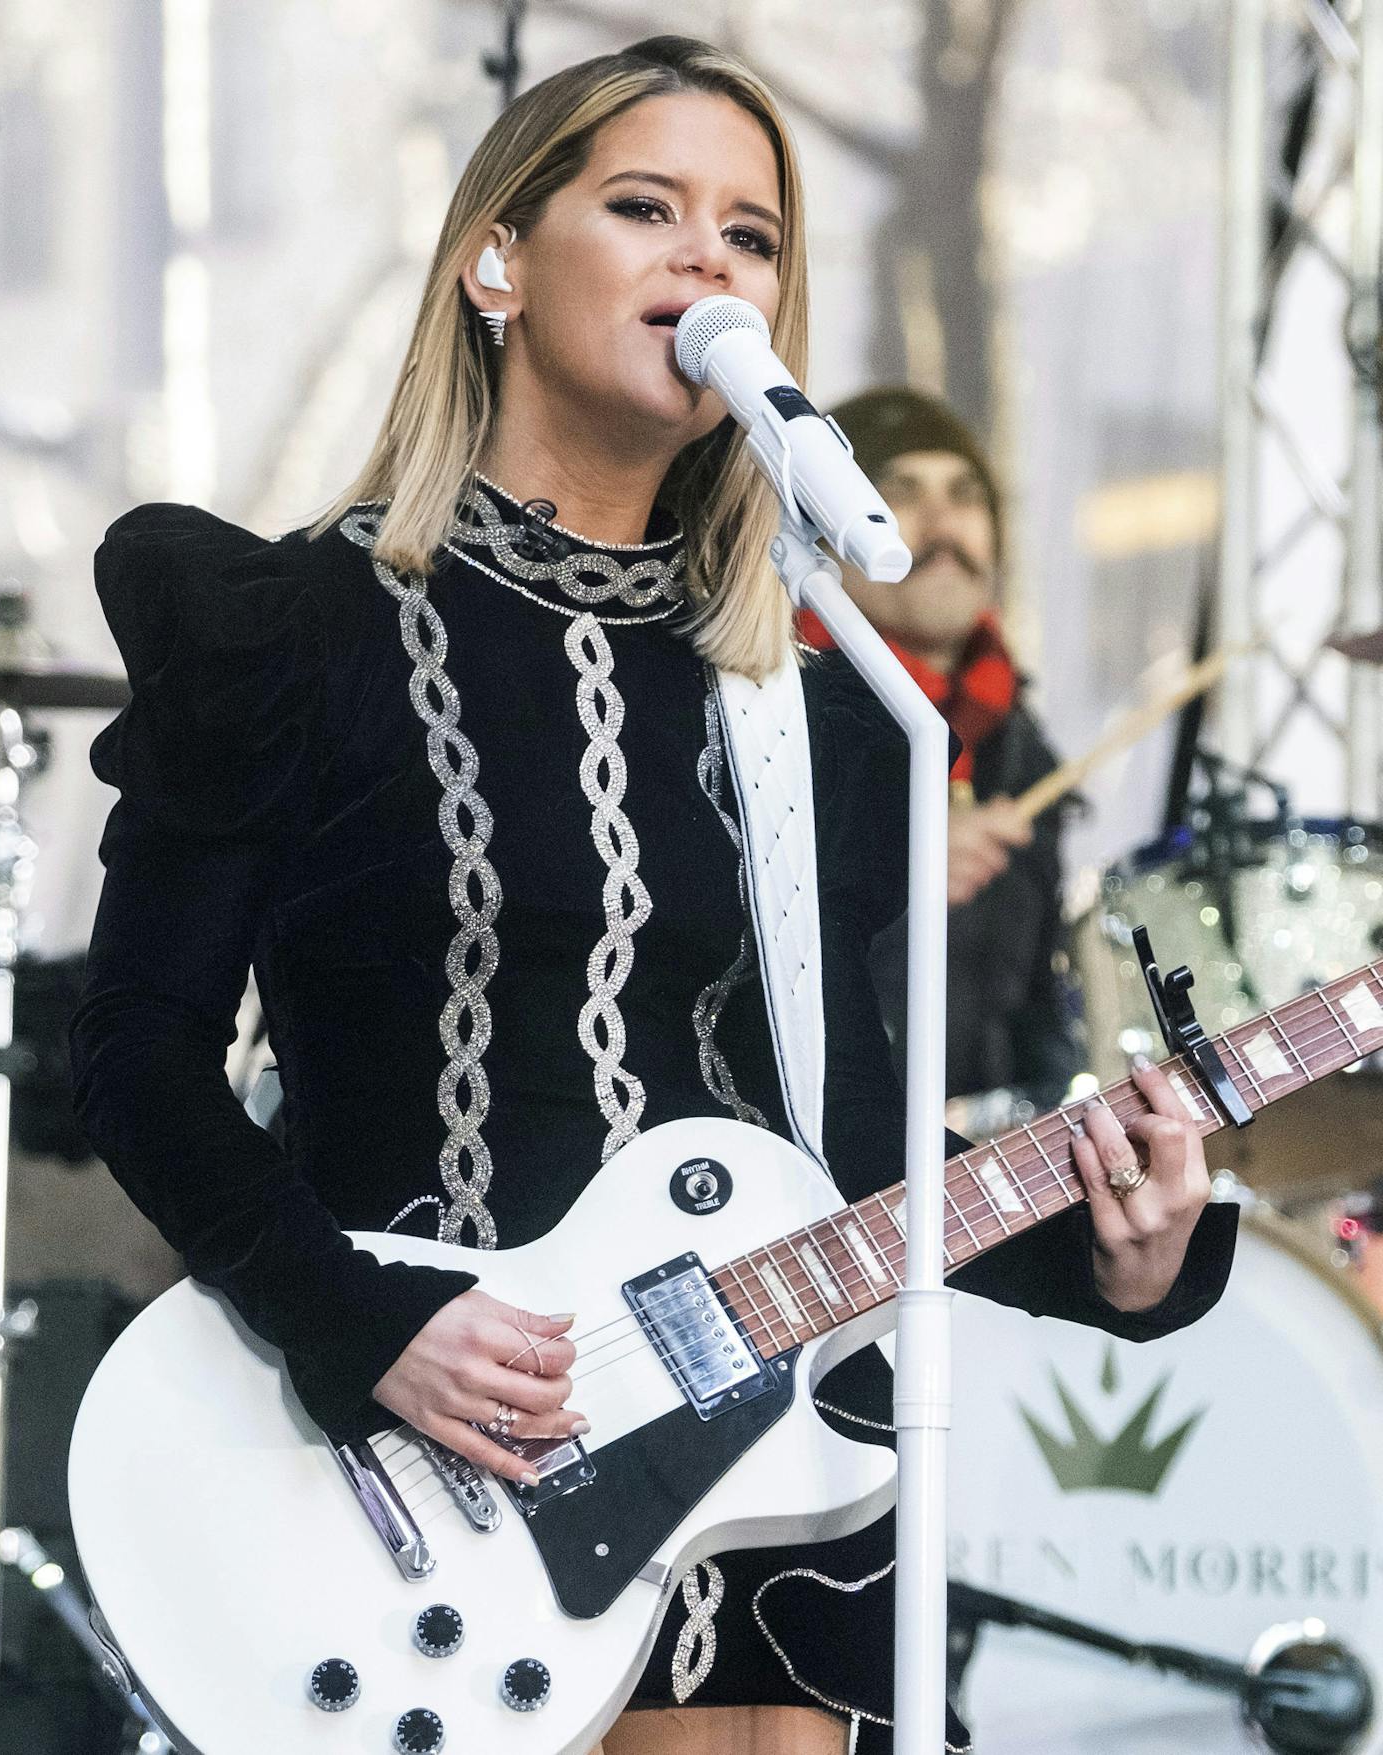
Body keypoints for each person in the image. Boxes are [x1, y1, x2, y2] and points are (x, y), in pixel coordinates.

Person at [70, 36, 1236, 1755]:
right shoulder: (288, 632)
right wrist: (359, 1320)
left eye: (750, 238)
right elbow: (139, 1058)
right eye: (645, 208)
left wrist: (1121, 1257)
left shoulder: (819, 709)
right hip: (411, 1486)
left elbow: (855, 1155)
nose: (708, 262)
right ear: (495, 258)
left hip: (760, 1488)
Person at [798, 388, 1082, 1142]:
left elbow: (1035, 1009)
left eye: (965, 496)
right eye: (900, 493)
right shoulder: (773, 705)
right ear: (827, 533)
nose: (942, 524)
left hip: (973, 1178)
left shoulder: (1017, 743)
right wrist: (896, 857)